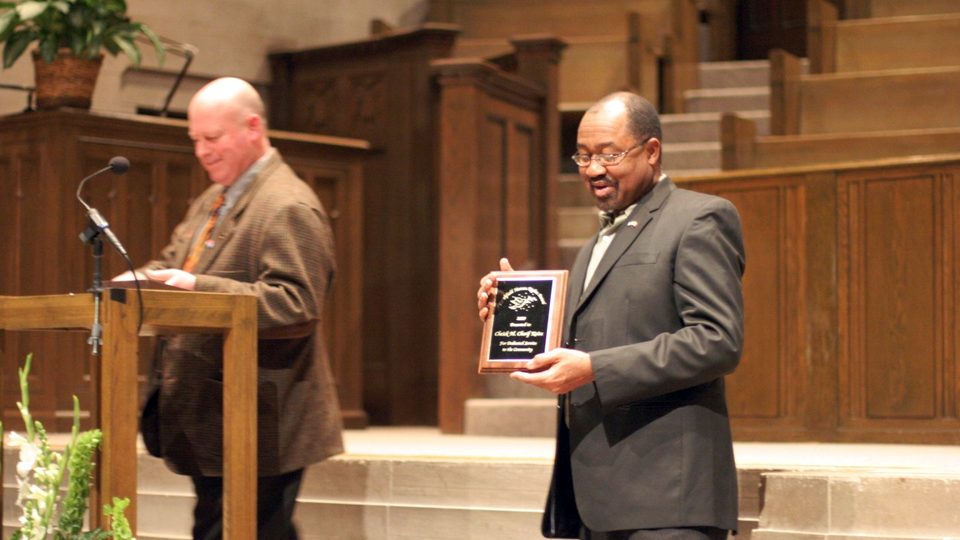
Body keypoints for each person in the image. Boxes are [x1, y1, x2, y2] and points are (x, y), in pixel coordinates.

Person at [477, 92, 745, 540]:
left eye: (609, 154)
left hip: (666, 501)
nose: (594, 170)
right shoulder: (593, 247)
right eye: (582, 157)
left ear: (652, 151)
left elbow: (718, 340)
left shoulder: (699, 218)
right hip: (597, 498)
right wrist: (511, 310)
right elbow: (586, 341)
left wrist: (594, 369)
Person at [116, 77, 343, 539]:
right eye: (195, 140)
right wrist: (139, 279)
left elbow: (296, 302)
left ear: (253, 126)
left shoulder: (287, 204)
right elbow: (176, 262)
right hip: (214, 416)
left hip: (262, 416)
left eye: (213, 138)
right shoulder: (213, 199)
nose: (202, 151)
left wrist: (198, 286)